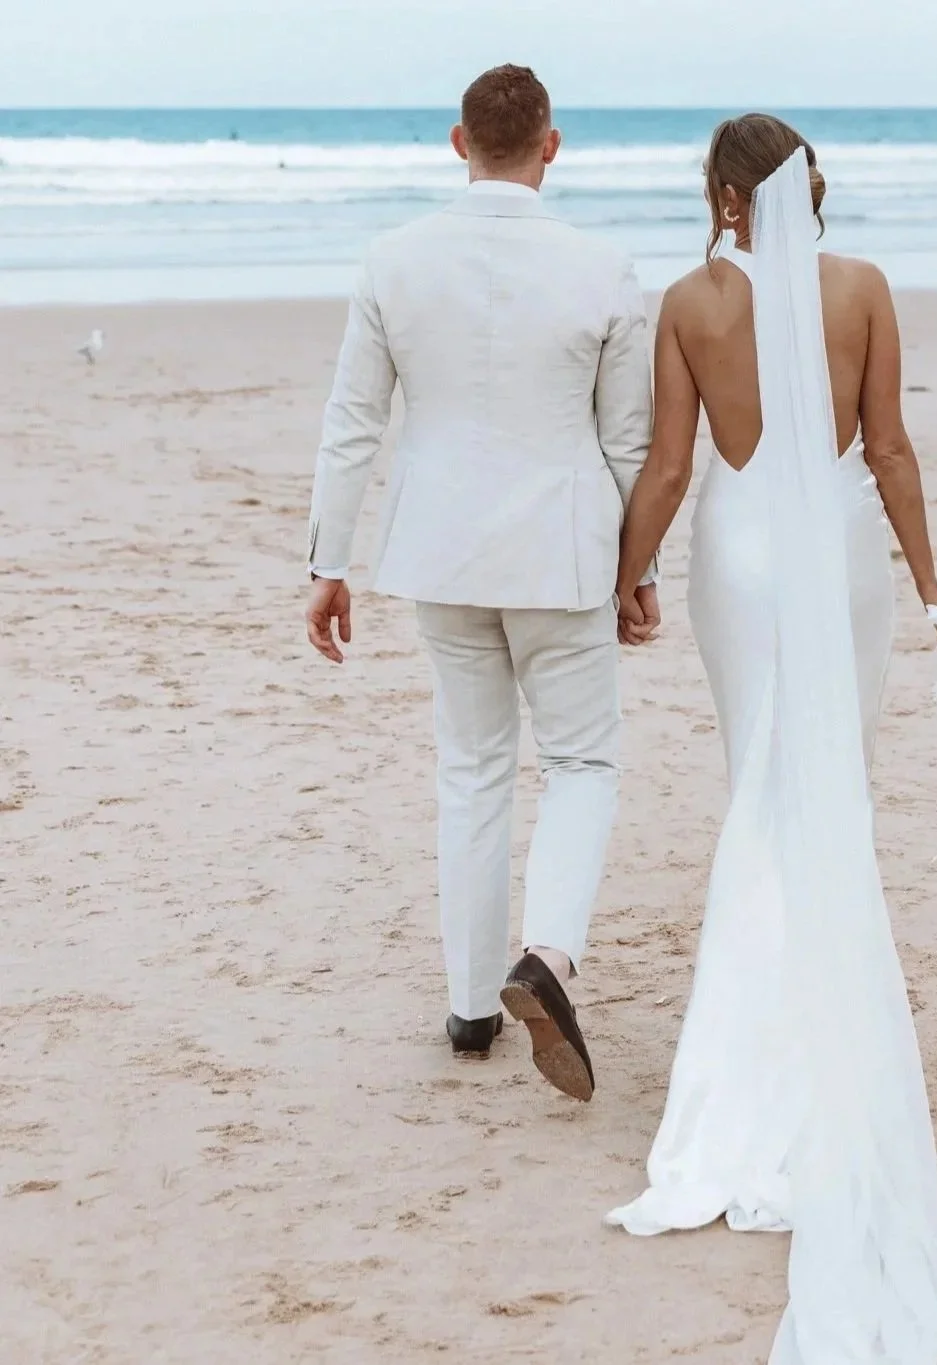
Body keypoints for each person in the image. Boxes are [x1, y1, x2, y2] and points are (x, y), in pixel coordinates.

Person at [606, 115, 937, 1363]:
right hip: (843, 562)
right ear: (808, 190)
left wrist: (626, 576)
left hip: (744, 560)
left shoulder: (691, 301)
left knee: (759, 787)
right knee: (827, 795)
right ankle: (824, 1047)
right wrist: (931, 588)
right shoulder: (862, 288)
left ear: (719, 192)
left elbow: (666, 466)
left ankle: (749, 1072)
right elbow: (892, 449)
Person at [303, 65, 657, 1102]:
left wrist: (330, 562)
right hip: (564, 553)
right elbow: (627, 440)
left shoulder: (393, 260)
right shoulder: (602, 266)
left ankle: (468, 1008)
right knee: (584, 762)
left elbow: (352, 424)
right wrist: (637, 572)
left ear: (460, 142)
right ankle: (545, 957)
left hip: (442, 554)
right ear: (552, 145)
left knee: (472, 770)